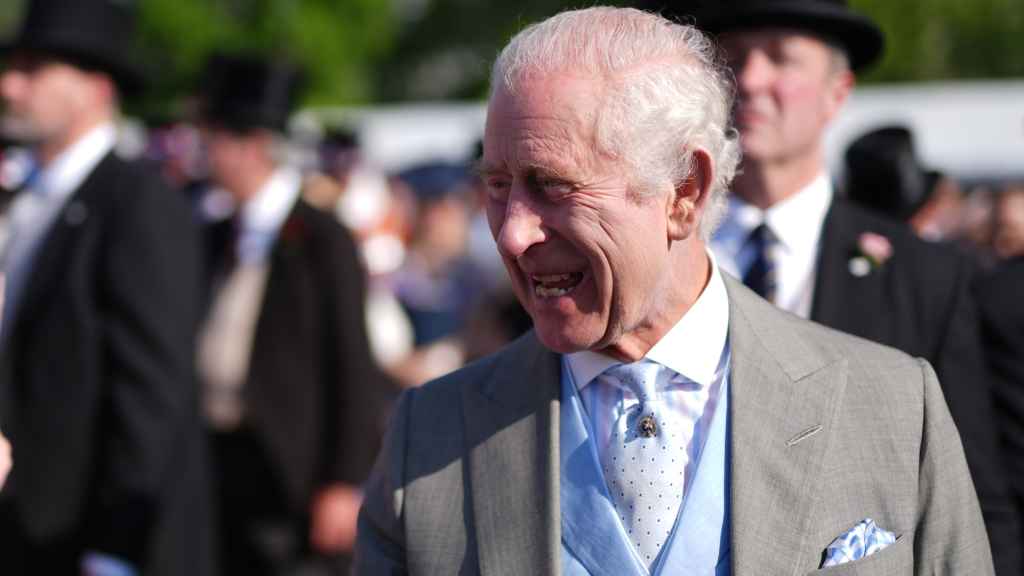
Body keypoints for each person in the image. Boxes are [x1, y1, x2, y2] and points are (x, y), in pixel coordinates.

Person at [355, 7, 993, 575]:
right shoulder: (430, 440)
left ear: (684, 192)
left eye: (554, 186)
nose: (513, 235)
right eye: (497, 186)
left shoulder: (893, 408)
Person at [677, 0, 1019, 571]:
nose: (753, 80)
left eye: (782, 59)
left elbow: (976, 498)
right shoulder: (654, 260)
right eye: (732, 59)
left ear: (838, 91)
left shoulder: (924, 277)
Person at [0, 0, 213, 575]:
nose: (10, 86)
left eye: (33, 70)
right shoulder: (30, 201)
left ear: (95, 86)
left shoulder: (137, 202)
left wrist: (116, 545)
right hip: (24, 527)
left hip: (83, 536)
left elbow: (151, 388)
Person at [196, 53, 391, 575]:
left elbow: (352, 362)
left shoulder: (322, 238)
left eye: (213, 138)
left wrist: (344, 481)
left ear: (252, 146)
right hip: (217, 458)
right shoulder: (214, 235)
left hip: (291, 466)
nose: (204, 153)